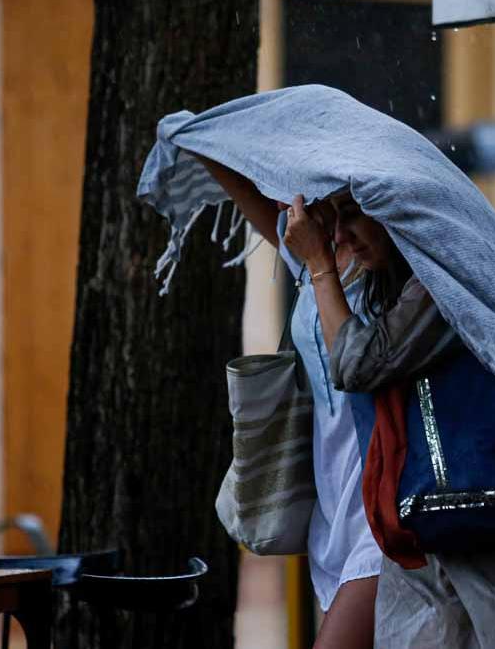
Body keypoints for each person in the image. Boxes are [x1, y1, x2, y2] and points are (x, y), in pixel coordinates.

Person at [283, 191, 495, 649]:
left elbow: (356, 365)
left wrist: (320, 264)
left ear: (393, 208)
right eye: (335, 222)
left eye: (354, 215)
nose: (341, 236)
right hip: (401, 522)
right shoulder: (383, 276)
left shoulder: (441, 275)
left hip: (451, 526)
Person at [195, 156, 381, 649]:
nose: (283, 204)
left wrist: (321, 262)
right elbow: (248, 196)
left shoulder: (379, 263)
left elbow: (353, 363)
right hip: (330, 500)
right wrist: (206, 142)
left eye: (292, 191)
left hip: (379, 501)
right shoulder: (311, 259)